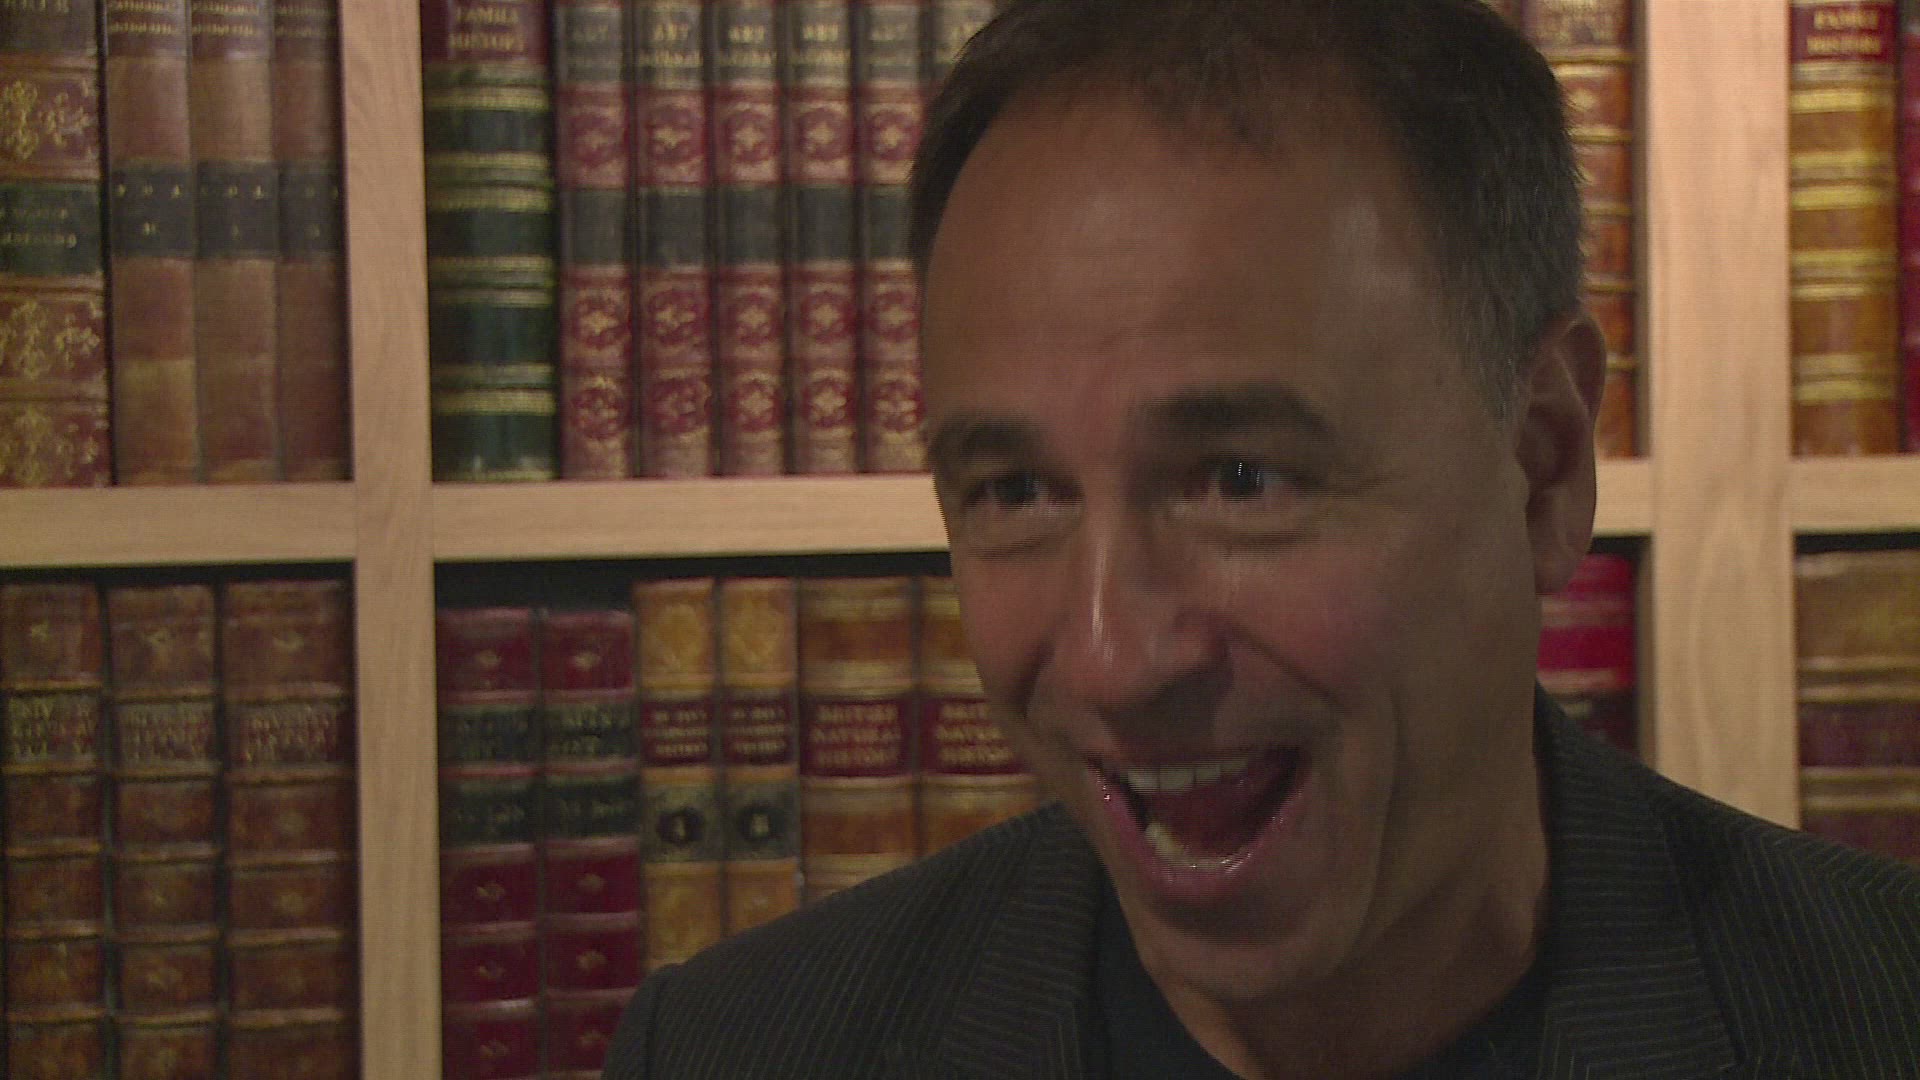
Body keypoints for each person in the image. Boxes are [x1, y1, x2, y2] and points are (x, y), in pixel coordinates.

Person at [602, 1, 1920, 1076]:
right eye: (1015, 493)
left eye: (1238, 480)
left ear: (1543, 465)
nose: (1111, 659)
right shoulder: (729, 1052)